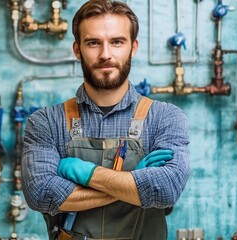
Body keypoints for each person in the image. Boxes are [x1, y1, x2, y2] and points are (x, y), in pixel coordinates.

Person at [21, 0, 190, 239]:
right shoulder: (46, 122)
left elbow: (166, 189)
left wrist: (87, 173)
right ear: (77, 49)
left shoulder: (165, 117)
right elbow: (41, 194)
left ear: (133, 48)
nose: (105, 54)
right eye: (93, 43)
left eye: (117, 42)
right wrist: (133, 182)